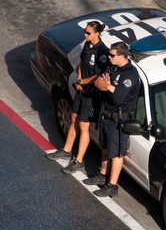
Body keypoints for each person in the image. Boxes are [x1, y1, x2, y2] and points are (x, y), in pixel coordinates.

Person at [46, 21, 109, 174]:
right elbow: (82, 63)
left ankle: (79, 160)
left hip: (92, 95)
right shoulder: (87, 46)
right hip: (82, 91)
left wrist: (83, 82)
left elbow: (99, 76)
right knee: (73, 117)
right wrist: (79, 80)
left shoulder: (102, 52)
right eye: (85, 32)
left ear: (97, 33)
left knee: (83, 125)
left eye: (88, 33)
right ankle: (67, 149)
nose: (85, 35)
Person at [83, 41, 141, 197]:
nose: (108, 57)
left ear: (122, 56)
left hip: (118, 121)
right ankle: (102, 175)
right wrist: (108, 86)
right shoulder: (112, 67)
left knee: (116, 154)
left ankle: (112, 185)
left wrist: (108, 86)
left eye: (112, 55)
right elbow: (98, 82)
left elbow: (118, 98)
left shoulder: (130, 74)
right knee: (106, 149)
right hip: (106, 116)